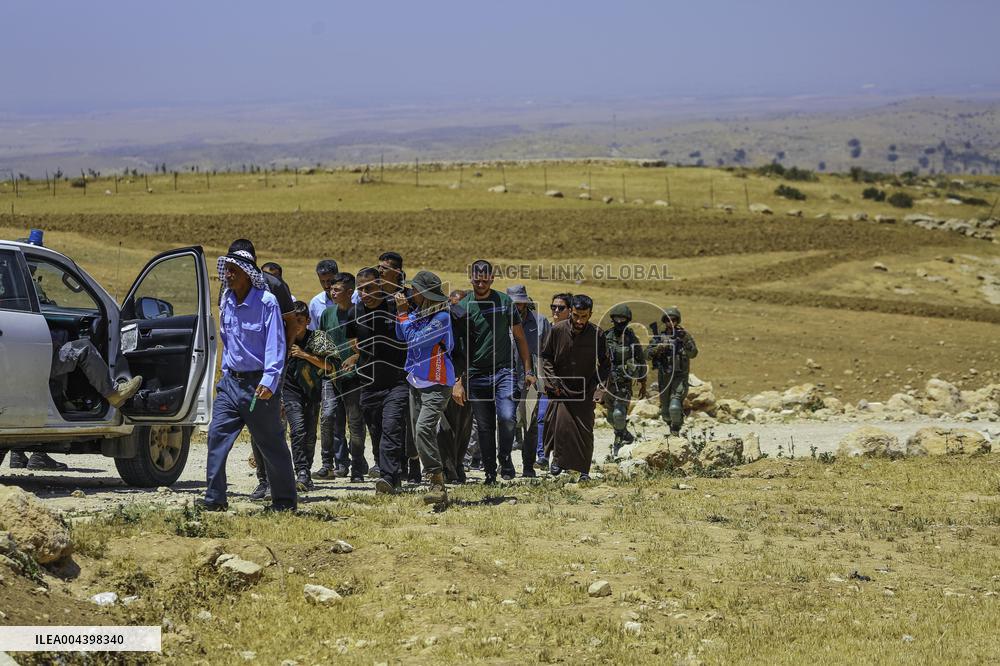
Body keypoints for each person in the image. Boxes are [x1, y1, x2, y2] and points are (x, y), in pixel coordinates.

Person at [201, 250, 296, 512]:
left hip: (259, 386)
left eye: (233, 271)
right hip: (230, 384)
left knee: (271, 444)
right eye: (226, 270)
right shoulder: (227, 300)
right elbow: (228, 341)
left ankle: (285, 502)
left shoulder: (267, 302)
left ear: (248, 274)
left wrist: (270, 380)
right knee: (216, 435)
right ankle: (214, 500)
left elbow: (276, 344)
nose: (227, 276)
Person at [225, 240, 296, 503]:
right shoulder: (229, 284)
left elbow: (291, 323)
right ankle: (263, 481)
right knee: (256, 425)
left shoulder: (274, 286)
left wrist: (280, 358)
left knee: (272, 426)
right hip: (243, 370)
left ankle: (282, 487)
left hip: (274, 368)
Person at [453, 260, 535, 484]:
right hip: (476, 374)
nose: (481, 283)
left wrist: (528, 370)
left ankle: (505, 457)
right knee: (485, 425)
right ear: (471, 278)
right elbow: (458, 348)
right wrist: (458, 381)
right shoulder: (464, 306)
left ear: (492, 278)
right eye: (476, 279)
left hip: (503, 371)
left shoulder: (504, 302)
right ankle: (490, 472)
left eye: (485, 279)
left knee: (508, 417)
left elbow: (520, 338)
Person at [7, 340, 142, 471]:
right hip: (33, 357)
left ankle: (18, 453)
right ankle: (113, 393)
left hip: (14, 361)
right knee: (84, 347)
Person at [343, 267, 410, 494]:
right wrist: (356, 352)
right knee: (377, 431)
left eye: (369, 288)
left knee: (392, 427)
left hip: (397, 381)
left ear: (380, 285)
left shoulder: (395, 306)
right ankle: (392, 473)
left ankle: (388, 478)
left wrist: (404, 313)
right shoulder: (354, 312)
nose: (364, 294)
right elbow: (351, 336)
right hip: (369, 384)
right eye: (360, 290)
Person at [394, 271, 455, 504]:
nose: (410, 293)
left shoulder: (442, 317)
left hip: (437, 383)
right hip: (416, 381)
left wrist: (402, 313)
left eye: (415, 290)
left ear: (425, 293)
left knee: (423, 430)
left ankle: (437, 482)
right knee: (417, 435)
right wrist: (404, 314)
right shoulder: (419, 313)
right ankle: (433, 478)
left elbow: (415, 340)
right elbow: (402, 334)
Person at [541, 294, 610, 481]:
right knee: (561, 425)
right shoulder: (557, 330)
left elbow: (605, 364)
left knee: (585, 430)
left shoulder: (598, 334)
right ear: (571, 312)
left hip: (585, 389)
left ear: (590, 314)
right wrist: (553, 382)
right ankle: (558, 461)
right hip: (561, 387)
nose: (580, 320)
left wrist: (599, 389)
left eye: (584, 316)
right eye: (576, 315)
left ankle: (584, 471)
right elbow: (546, 357)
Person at [317, 272, 368, 482]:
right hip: (331, 375)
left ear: (350, 292)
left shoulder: (360, 314)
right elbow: (320, 343)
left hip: (355, 378)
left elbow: (367, 347)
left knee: (355, 422)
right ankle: (328, 464)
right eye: (331, 289)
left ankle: (357, 467)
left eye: (337, 289)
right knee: (328, 417)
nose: (332, 292)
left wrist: (357, 357)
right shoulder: (327, 315)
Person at [283, 301, 339, 492]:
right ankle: (301, 472)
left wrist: (305, 355)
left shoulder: (317, 339)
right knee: (297, 430)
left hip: (311, 392)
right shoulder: (281, 339)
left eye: (300, 320)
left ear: (307, 321)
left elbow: (330, 366)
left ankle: (305, 472)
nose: (296, 325)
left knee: (309, 435)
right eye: (293, 321)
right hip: (289, 392)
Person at [506, 285, 551, 478]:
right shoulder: (500, 322)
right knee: (506, 421)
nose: (518, 305)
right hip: (506, 378)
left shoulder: (541, 322)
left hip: (531, 380)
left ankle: (528, 466)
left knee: (530, 424)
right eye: (514, 302)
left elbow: (549, 353)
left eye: (520, 301)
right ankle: (506, 465)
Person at [436, 289, 474, 483]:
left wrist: (458, 381)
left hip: (462, 379)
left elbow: (463, 354)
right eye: (452, 303)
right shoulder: (444, 322)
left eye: (458, 303)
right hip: (443, 379)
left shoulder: (463, 325)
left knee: (463, 426)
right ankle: (450, 468)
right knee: (446, 427)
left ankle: (458, 465)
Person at [602, 303, 648, 455]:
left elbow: (641, 360)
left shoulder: (631, 339)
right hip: (608, 382)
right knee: (610, 417)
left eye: (623, 319)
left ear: (627, 320)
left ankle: (619, 440)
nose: (619, 321)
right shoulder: (606, 336)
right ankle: (626, 435)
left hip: (623, 383)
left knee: (618, 414)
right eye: (617, 318)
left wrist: (643, 384)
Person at [647, 306, 698, 435]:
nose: (671, 322)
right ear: (664, 321)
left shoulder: (684, 336)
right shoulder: (659, 337)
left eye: (674, 320)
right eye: (668, 320)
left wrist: (685, 340)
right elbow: (646, 355)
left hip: (679, 377)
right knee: (665, 413)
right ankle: (672, 426)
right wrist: (657, 348)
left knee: (674, 407)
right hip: (664, 377)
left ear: (677, 321)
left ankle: (676, 429)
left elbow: (693, 354)